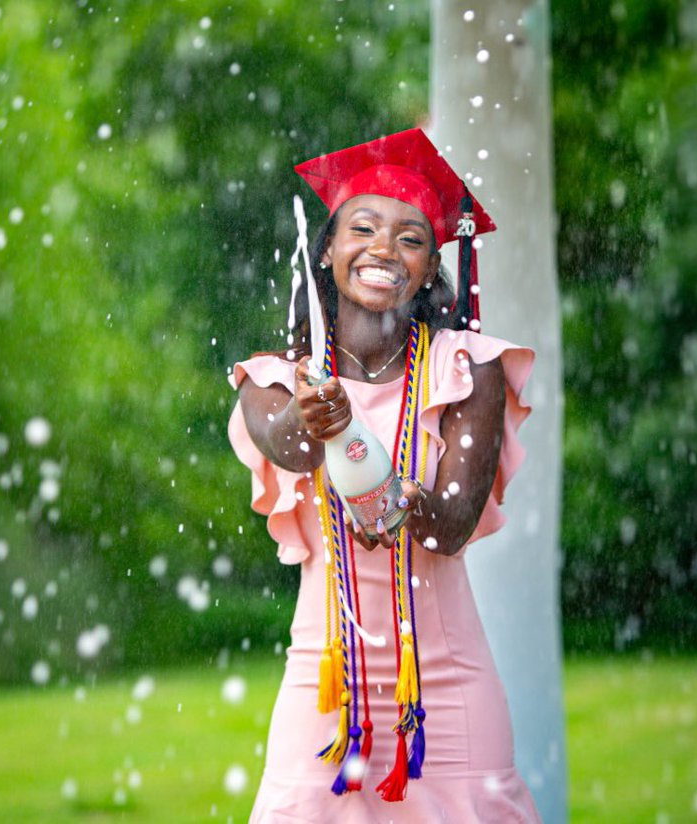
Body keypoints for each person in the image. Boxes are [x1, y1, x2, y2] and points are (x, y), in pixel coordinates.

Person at [228, 128, 540, 822]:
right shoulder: (275, 381)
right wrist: (321, 421)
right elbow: (292, 449)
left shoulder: (468, 369)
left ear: (432, 266)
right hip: (325, 681)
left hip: (448, 687)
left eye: (411, 237)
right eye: (362, 228)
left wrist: (379, 476)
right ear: (329, 252)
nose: (383, 250)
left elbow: (450, 525)